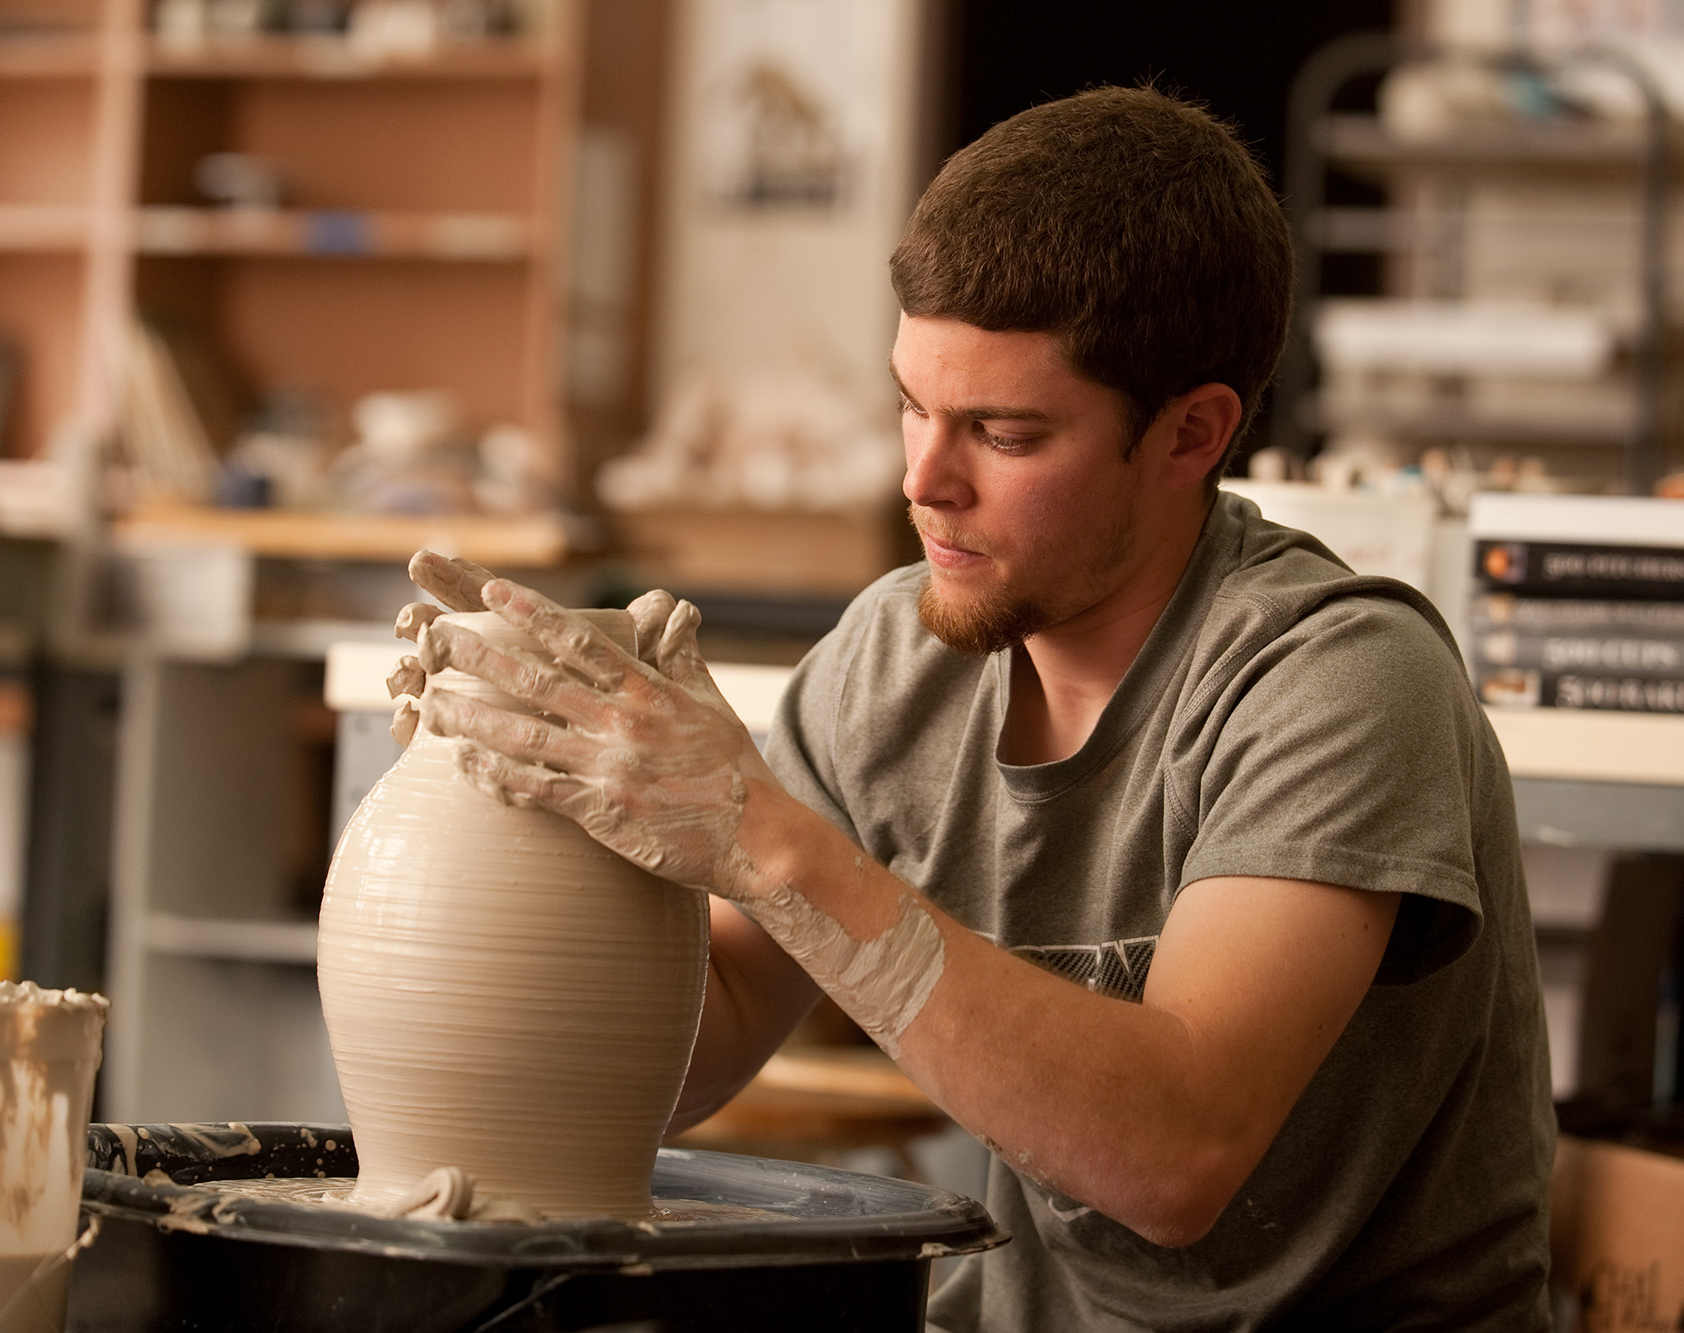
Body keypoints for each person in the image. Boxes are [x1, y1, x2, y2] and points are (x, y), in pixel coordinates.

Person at [389, 86, 1553, 1330]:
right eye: (909, 404)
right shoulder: (896, 657)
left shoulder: (1337, 679)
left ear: (1188, 434)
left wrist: (760, 832)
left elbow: (1174, 1157)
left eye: (999, 432)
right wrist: (559, 800)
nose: (922, 480)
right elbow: (702, 1038)